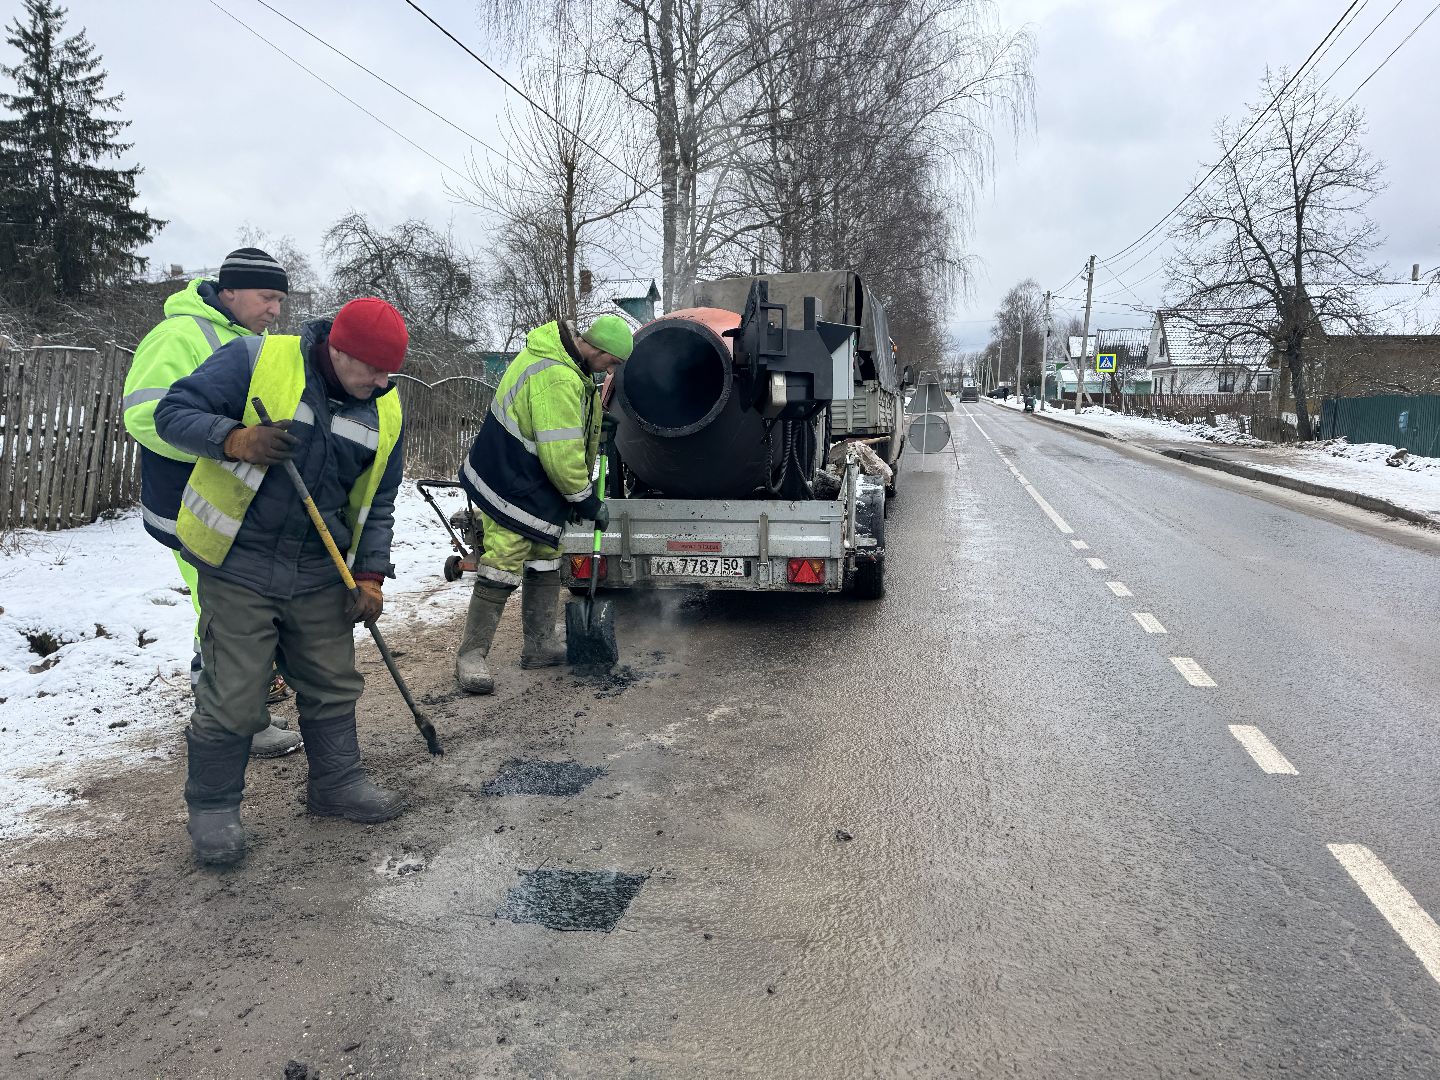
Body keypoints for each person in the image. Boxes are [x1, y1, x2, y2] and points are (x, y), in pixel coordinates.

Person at [152, 297, 409, 866]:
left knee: (332, 679)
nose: (381, 380)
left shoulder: (384, 410)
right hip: (240, 559)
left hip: (321, 568)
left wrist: (369, 576)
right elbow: (170, 414)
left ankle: (336, 785)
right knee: (235, 691)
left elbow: (379, 502)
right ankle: (214, 809)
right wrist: (234, 438)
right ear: (336, 349)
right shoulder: (253, 360)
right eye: (370, 368)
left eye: (390, 369)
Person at [123, 248, 301, 758]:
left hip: (236, 507)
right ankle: (227, 722)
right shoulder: (178, 336)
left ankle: (234, 711)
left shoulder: (256, 344)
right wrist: (229, 439)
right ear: (229, 291)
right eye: (267, 297)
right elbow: (145, 416)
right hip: (190, 506)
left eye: (280, 300)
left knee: (236, 609)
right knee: (221, 613)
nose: (275, 310)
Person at [454, 315, 632, 694]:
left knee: (546, 553)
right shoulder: (557, 376)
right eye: (612, 362)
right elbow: (560, 454)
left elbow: (558, 429)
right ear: (599, 350)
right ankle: (471, 656)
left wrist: (597, 422)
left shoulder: (569, 365)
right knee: (504, 561)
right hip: (511, 479)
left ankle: (540, 644)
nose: (611, 369)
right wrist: (586, 501)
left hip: (533, 478)